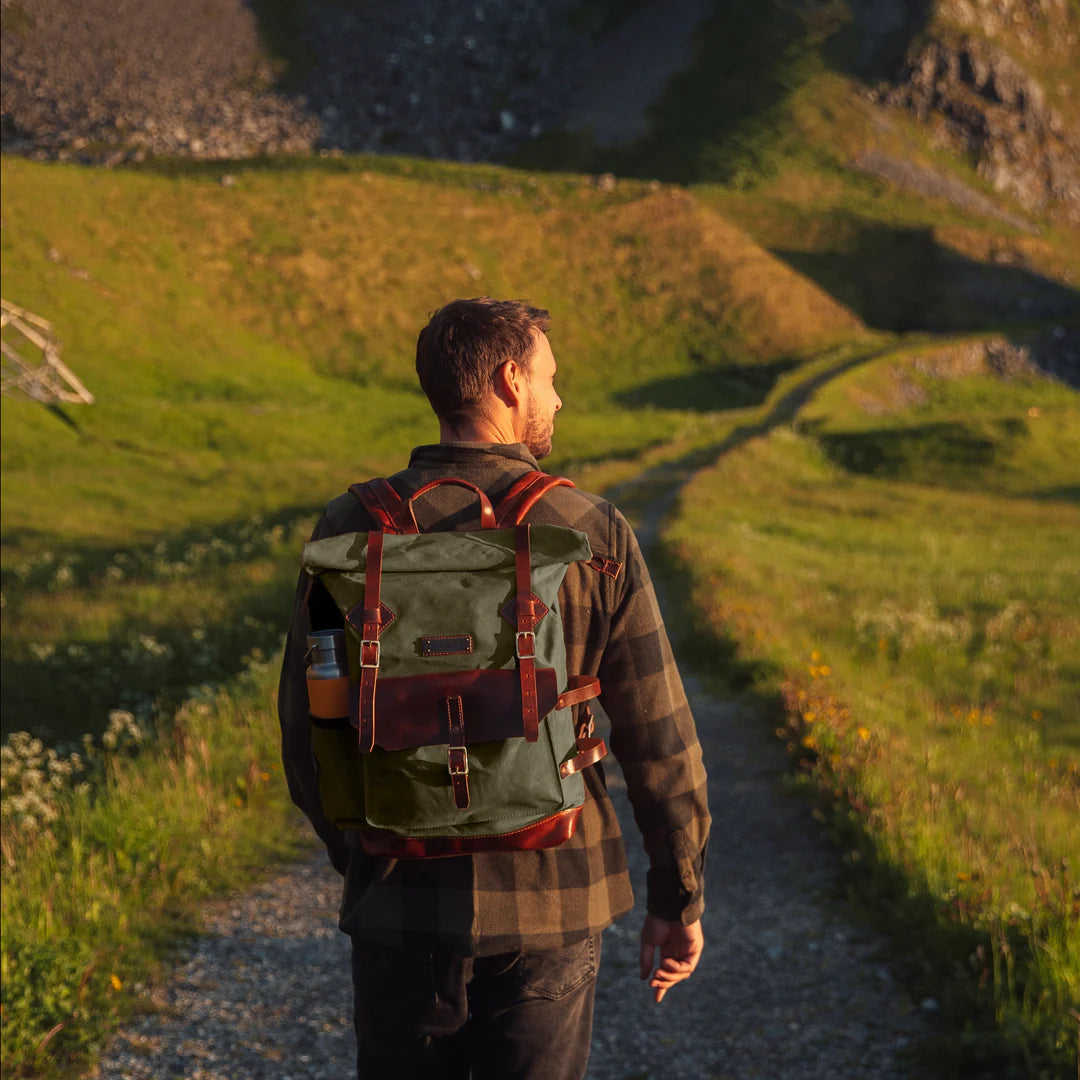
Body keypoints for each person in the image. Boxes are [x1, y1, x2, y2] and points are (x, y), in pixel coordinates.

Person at [278, 297, 710, 1080]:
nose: (557, 397)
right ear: (510, 380)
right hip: (555, 895)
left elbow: (307, 731)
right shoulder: (589, 528)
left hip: (397, 896)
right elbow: (659, 737)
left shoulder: (348, 526)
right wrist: (677, 896)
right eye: (549, 377)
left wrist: (372, 848)